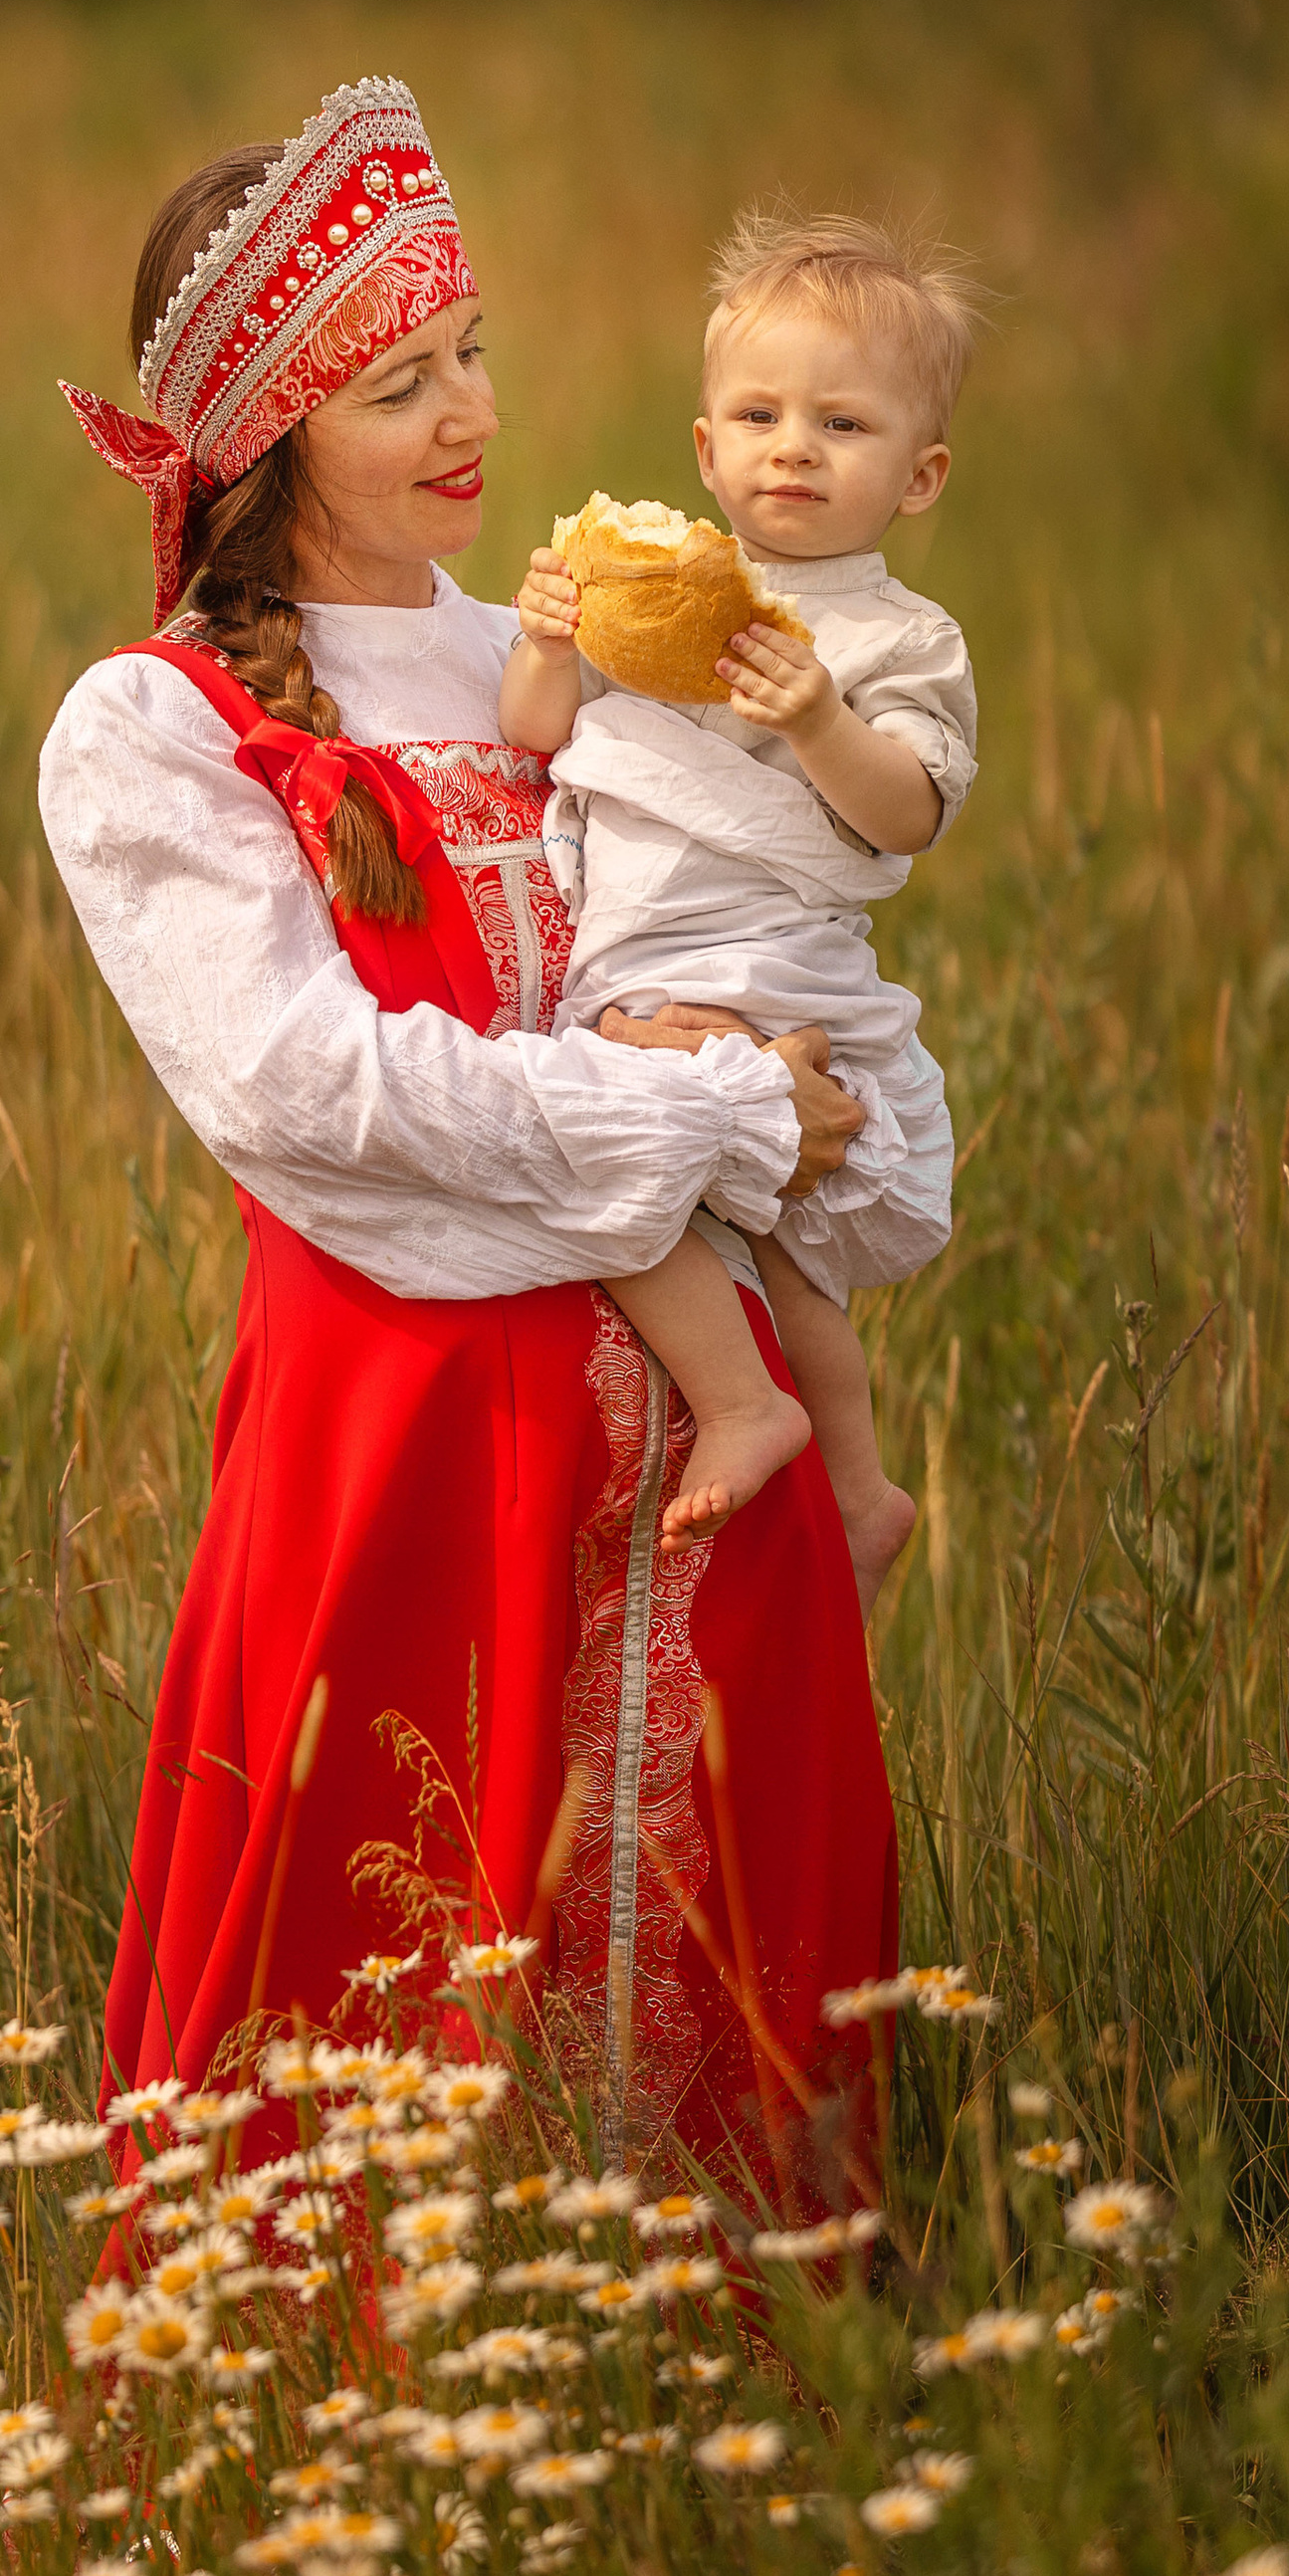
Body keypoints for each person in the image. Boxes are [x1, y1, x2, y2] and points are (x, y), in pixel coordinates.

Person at [38, 79, 899, 2205]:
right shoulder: (159, 726)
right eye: (391, 384)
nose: (463, 416)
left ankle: (741, 2473)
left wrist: (817, 1092)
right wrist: (702, 1103)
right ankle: (379, 2474)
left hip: (711, 1444)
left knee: (728, 1974)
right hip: (408, 1439)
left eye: (469, 355)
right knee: (403, 1989)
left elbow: (755, 907)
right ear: (258, 432)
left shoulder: (576, 639)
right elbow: (315, 1094)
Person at [499, 211, 975, 1612]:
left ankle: (819, 1444)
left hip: (779, 967)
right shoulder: (653, 592)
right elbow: (538, 735)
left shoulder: (901, 639)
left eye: (842, 422)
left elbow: (908, 813)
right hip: (637, 954)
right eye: (760, 415)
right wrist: (544, 637)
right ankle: (838, 1471)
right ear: (706, 448)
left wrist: (824, 717)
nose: (794, 448)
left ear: (919, 472)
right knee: (668, 1196)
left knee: (764, 1218)